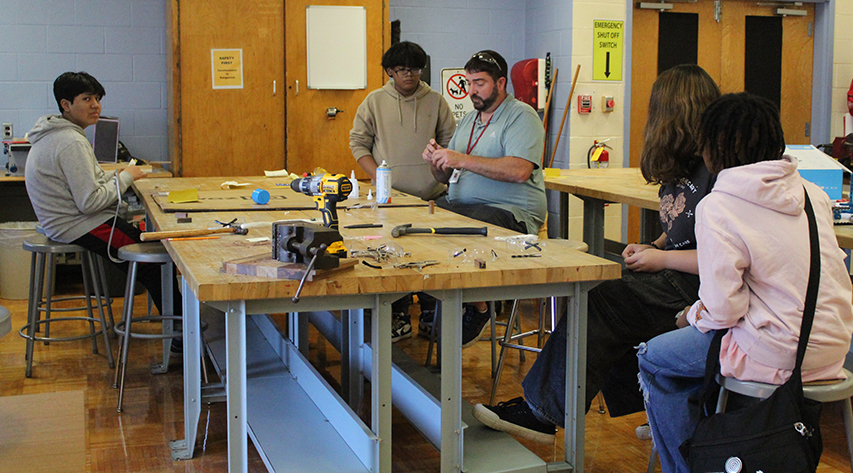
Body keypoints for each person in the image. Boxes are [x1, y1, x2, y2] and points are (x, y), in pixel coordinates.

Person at [473, 64, 720, 443]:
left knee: (602, 299)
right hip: (678, 275)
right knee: (605, 280)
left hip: (705, 291)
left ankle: (543, 412)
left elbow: (725, 257)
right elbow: (682, 232)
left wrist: (663, 259)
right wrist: (654, 247)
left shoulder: (717, 172)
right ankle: (656, 404)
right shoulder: (683, 162)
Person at [637, 92, 853, 473]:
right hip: (834, 346)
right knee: (700, 360)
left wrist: (691, 314)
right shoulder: (813, 194)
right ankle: (722, 441)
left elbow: (724, 310)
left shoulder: (719, 205)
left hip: (778, 353)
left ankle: (693, 461)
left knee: (654, 359)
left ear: (711, 149)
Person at [25, 71, 177, 318]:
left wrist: (121, 175)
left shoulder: (61, 134)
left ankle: (179, 326)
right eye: (87, 99)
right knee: (156, 263)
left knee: (152, 246)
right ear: (66, 104)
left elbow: (89, 183)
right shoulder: (69, 141)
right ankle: (182, 337)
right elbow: (90, 202)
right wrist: (126, 177)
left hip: (73, 220)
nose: (96, 106)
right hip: (78, 224)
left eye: (97, 98)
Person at [422, 50, 547, 348]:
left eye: (480, 83)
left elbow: (518, 170)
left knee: (461, 228)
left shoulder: (521, 116)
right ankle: (447, 305)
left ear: (501, 83)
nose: (472, 90)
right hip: (463, 206)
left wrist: (461, 159)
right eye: (469, 83)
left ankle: (478, 307)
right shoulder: (468, 121)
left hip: (510, 213)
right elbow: (446, 177)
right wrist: (436, 162)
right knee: (420, 225)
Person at [350, 41, 456, 342]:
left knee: (432, 256)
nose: (410, 75)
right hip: (389, 199)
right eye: (402, 70)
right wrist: (381, 180)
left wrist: (442, 165)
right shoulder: (374, 101)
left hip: (431, 196)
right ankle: (397, 313)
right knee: (390, 256)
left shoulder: (435, 101)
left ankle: (428, 312)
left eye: (416, 69)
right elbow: (358, 143)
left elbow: (451, 143)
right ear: (390, 71)